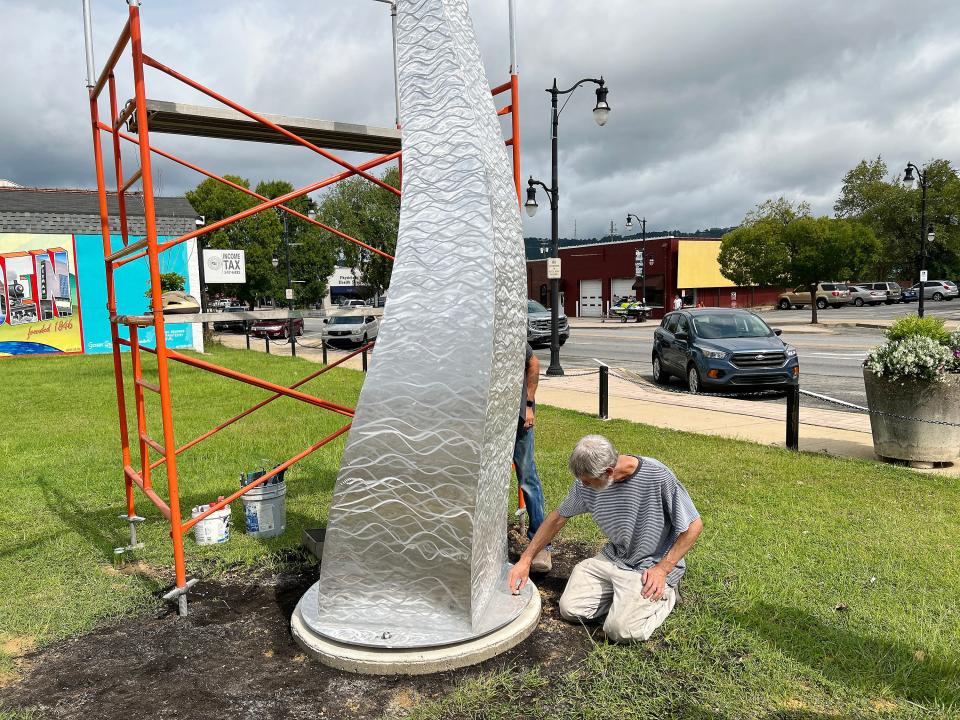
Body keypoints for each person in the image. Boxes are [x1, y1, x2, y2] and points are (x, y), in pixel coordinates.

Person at [507, 434, 703, 642]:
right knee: (570, 609)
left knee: (620, 631)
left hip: (649, 566)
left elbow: (694, 525)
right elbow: (557, 518)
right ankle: (625, 599)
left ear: (608, 472)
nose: (583, 486)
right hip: (615, 558)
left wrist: (663, 568)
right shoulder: (586, 483)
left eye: (588, 482)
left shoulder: (657, 475)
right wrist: (526, 559)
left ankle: (667, 594)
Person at [514, 343, 551, 572]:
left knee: (527, 477)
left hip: (518, 418)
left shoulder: (507, 332)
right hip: (489, 420)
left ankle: (541, 545)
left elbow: (533, 363)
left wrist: (528, 405)